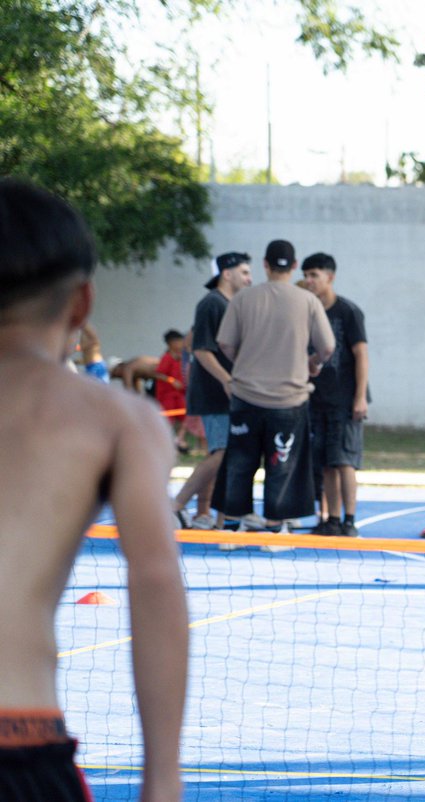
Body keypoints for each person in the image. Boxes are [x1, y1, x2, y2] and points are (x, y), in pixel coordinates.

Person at [0, 178, 188, 801]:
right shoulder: (116, 419)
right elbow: (156, 582)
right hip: (18, 739)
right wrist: (162, 780)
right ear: (82, 304)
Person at [215, 239, 334, 539]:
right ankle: (275, 529)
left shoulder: (243, 299)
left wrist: (243, 361)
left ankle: (232, 527)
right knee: (283, 465)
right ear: (294, 266)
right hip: (289, 399)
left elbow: (225, 342)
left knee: (240, 463)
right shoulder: (308, 301)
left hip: (246, 396)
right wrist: (312, 362)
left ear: (265, 265)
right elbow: (328, 347)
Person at [172, 252, 253, 531]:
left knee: (227, 455)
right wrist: (227, 381)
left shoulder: (233, 305)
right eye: (244, 272)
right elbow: (201, 350)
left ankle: (221, 517)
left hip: (231, 392)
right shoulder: (211, 304)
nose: (250, 278)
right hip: (215, 393)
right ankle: (176, 505)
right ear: (226, 274)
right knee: (221, 452)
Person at [300, 252, 370, 537]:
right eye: (306, 275)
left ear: (330, 277)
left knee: (344, 460)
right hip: (318, 397)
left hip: (345, 398)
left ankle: (349, 519)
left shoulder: (348, 312)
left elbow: (361, 354)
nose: (309, 281)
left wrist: (360, 396)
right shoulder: (308, 311)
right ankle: (329, 518)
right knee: (325, 463)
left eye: (314, 275)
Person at [155, 329, 189, 453]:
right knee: (167, 420)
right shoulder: (167, 357)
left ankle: (178, 439)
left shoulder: (181, 358)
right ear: (171, 343)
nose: (181, 344)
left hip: (179, 394)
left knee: (187, 417)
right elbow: (158, 374)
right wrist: (171, 381)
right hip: (167, 395)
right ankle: (166, 442)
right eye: (179, 342)